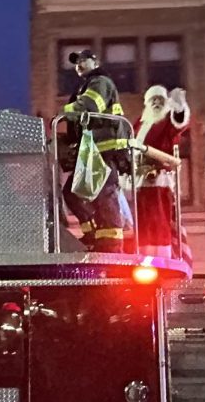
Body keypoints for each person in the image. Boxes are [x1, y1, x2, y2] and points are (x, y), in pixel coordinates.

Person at [61, 49, 129, 252]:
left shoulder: (100, 81)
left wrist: (64, 112)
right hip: (92, 150)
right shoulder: (85, 85)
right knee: (72, 192)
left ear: (95, 62)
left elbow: (90, 106)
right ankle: (93, 232)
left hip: (105, 148)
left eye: (83, 60)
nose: (79, 65)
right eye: (76, 63)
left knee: (104, 193)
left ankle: (112, 242)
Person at [130, 85, 190, 259]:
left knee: (159, 219)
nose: (156, 103)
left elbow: (179, 124)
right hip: (139, 181)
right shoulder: (140, 123)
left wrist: (179, 108)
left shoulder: (166, 122)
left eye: (160, 100)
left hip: (159, 180)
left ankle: (161, 257)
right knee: (142, 221)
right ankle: (142, 255)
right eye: (153, 100)